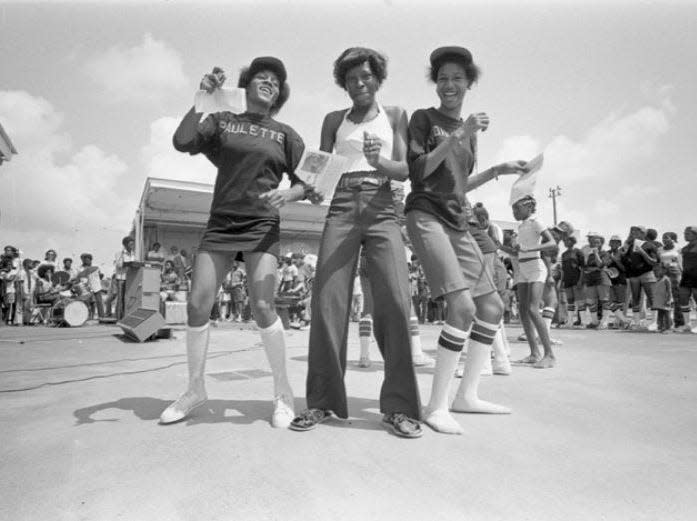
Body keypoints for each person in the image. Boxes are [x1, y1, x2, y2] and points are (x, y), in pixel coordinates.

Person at [160, 57, 308, 428]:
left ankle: (282, 392)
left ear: (281, 92)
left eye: (276, 80)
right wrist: (203, 98)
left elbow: (311, 182)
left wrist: (289, 196)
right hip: (222, 222)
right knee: (197, 304)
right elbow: (183, 141)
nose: (269, 82)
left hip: (262, 224)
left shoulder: (287, 134)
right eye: (262, 76)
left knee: (262, 304)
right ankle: (195, 389)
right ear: (246, 85)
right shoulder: (225, 120)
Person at [290, 47, 422, 438]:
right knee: (327, 301)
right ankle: (323, 403)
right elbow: (322, 171)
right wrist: (313, 189)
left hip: (382, 204)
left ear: (378, 79)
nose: (359, 84)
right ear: (343, 84)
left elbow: (403, 171)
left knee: (396, 302)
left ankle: (399, 408)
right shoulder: (333, 119)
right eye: (351, 79)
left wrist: (378, 160)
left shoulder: (396, 115)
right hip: (342, 206)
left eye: (365, 77)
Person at [403, 46, 528, 434]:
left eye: (458, 78)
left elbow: (458, 184)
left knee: (491, 306)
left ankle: (466, 395)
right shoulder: (424, 119)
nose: (449, 84)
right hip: (425, 214)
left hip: (458, 219)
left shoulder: (470, 133)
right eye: (442, 78)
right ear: (435, 84)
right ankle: (436, 405)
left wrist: (497, 170)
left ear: (469, 83)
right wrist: (461, 132)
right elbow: (421, 171)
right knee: (461, 307)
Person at [505, 195, 557, 368]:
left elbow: (552, 243)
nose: (514, 213)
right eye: (513, 210)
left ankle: (549, 355)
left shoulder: (536, 222)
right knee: (522, 310)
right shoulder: (520, 227)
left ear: (528, 208)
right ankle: (534, 353)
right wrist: (498, 245)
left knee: (533, 309)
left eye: (517, 209)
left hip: (536, 268)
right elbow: (517, 252)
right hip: (522, 270)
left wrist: (530, 248)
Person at [620, 226, 658, 330]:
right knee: (635, 299)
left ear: (643, 233)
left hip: (647, 274)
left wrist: (642, 252)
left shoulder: (650, 245)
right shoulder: (630, 245)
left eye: (636, 231)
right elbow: (625, 261)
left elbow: (654, 262)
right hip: (633, 276)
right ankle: (637, 323)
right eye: (633, 232)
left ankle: (654, 323)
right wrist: (624, 253)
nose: (633, 233)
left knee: (652, 299)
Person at [660, 231, 683, 329]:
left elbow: (681, 263)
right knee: (665, 298)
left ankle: (679, 322)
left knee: (677, 298)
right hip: (663, 275)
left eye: (666, 237)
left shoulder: (678, 248)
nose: (664, 239)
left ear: (673, 239)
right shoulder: (659, 249)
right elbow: (658, 262)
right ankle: (666, 322)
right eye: (663, 237)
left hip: (675, 274)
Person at [607, 235, 630, 328]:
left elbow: (625, 269)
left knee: (620, 303)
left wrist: (616, 260)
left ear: (620, 244)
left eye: (616, 242)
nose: (614, 244)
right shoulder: (606, 253)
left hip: (620, 281)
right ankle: (625, 320)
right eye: (612, 242)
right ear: (609, 243)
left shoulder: (623, 254)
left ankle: (618, 322)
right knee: (609, 302)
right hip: (609, 281)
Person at [678, 225, 697, 333]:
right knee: (683, 298)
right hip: (686, 276)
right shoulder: (684, 248)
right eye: (684, 233)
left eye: (687, 233)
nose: (685, 235)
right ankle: (687, 325)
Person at [652, 264, 673, 333]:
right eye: (656, 270)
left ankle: (668, 328)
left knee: (667, 315)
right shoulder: (658, 279)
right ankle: (660, 327)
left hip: (666, 300)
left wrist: (669, 300)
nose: (657, 271)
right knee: (660, 314)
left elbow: (669, 290)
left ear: (664, 270)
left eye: (659, 270)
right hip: (659, 301)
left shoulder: (666, 279)